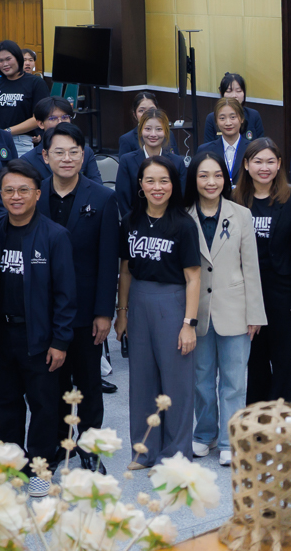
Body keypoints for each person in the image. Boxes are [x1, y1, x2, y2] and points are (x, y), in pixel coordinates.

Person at [0, 162, 77, 497]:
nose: (16, 196)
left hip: (39, 337)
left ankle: (41, 468)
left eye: (24, 190)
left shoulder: (55, 236)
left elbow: (66, 295)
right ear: (0, 194)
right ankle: (12, 465)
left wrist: (60, 341)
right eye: (9, 190)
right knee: (3, 404)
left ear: (38, 194)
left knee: (43, 405)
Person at [36, 123, 123, 469]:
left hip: (87, 310)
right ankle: (59, 443)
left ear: (83, 155)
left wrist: (105, 312)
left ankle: (89, 447)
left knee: (88, 383)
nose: (67, 158)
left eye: (74, 151)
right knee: (51, 382)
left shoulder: (102, 198)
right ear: (45, 156)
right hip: (45, 309)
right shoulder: (34, 194)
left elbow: (108, 260)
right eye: (59, 152)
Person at [117, 154, 200, 470]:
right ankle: (144, 450)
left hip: (172, 301)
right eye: (150, 180)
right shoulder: (130, 221)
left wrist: (188, 323)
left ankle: (176, 453)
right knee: (142, 381)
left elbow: (194, 277)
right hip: (139, 300)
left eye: (164, 180)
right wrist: (122, 312)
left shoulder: (184, 224)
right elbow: (125, 270)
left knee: (176, 382)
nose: (157, 187)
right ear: (140, 184)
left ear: (173, 184)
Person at [185, 150, 262, 465]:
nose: (211, 182)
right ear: (194, 179)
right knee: (201, 380)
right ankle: (205, 434)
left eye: (217, 175)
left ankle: (231, 439)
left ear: (226, 179)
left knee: (234, 380)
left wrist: (255, 314)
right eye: (203, 175)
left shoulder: (241, 214)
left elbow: (251, 267)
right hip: (197, 312)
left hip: (235, 309)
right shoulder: (183, 215)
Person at [236, 139, 291, 405]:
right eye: (258, 161)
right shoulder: (235, 199)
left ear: (279, 165)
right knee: (255, 358)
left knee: (283, 358)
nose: (264, 168)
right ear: (246, 164)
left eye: (270, 161)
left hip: (282, 292)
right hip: (247, 291)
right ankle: (256, 415)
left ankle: (282, 416)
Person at [194, 98, 253, 182]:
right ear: (216, 121)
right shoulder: (204, 150)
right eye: (222, 118)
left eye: (233, 117)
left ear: (242, 119)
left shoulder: (252, 149)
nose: (228, 123)